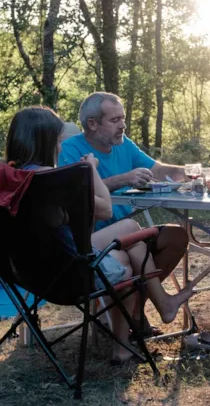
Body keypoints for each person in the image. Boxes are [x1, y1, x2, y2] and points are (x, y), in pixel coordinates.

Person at [7, 106, 193, 365]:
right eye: (57, 142)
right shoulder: (49, 181)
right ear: (45, 141)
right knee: (128, 237)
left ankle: (138, 329)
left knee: (129, 245)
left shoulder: (4, 179)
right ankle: (134, 333)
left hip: (25, 271)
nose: (61, 149)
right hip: (68, 269)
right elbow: (104, 209)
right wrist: (90, 170)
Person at [58, 92, 192, 335]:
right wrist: (124, 179)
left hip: (127, 237)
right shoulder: (69, 150)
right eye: (115, 120)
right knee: (133, 240)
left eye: (123, 119)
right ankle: (131, 317)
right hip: (94, 240)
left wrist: (195, 172)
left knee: (177, 236)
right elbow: (77, 195)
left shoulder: (124, 144)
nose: (122, 125)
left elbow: (159, 170)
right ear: (92, 124)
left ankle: (135, 312)